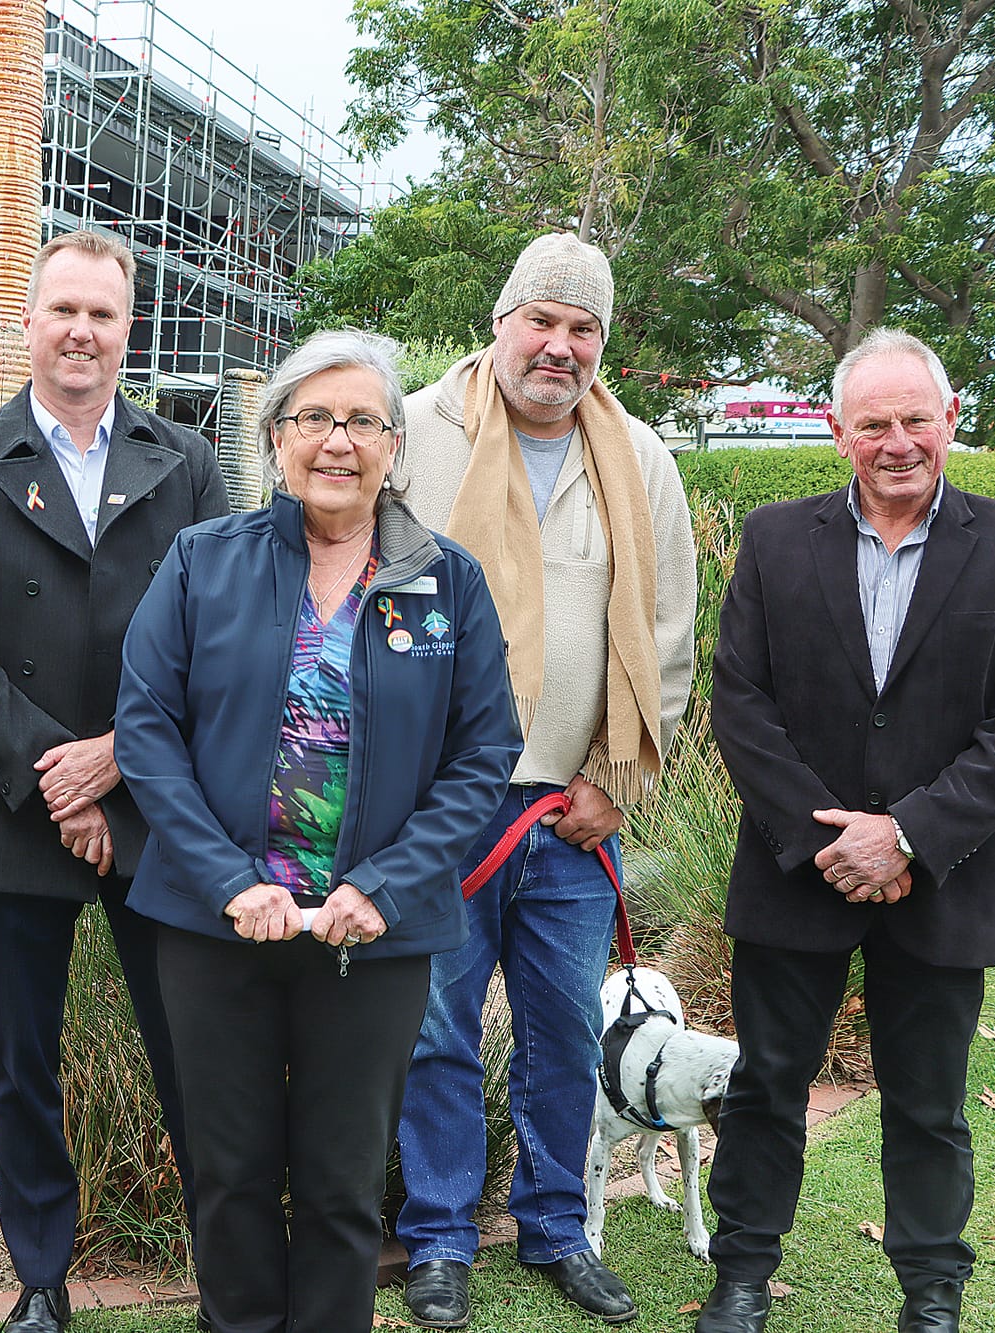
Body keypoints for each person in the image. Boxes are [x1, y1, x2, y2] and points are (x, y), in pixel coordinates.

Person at [116, 329, 520, 1333]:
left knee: (343, 1188)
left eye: (361, 421)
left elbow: (483, 752)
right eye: (312, 420)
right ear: (274, 439)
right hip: (217, 929)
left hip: (370, 937)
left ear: (393, 445)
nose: (335, 442)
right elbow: (145, 729)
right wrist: (227, 880)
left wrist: (380, 885)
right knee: (231, 1178)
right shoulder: (200, 561)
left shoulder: (445, 581)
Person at [694, 329, 995, 1333]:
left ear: (950, 421)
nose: (895, 441)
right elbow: (741, 702)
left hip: (942, 875)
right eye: (872, 423)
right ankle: (740, 1274)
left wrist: (901, 835)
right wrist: (828, 839)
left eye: (914, 419)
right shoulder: (775, 540)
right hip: (795, 870)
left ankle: (930, 1291)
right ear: (836, 432)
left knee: (927, 1101)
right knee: (768, 1084)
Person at [0, 228, 227, 1333]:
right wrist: (60, 777)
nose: (81, 331)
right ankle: (40, 1279)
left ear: (126, 329)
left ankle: (224, 1264)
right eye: (63, 311)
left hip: (159, 806)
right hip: (14, 809)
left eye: (102, 312)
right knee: (18, 1061)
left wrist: (116, 759)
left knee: (195, 1046)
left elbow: (214, 633)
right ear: (29, 324)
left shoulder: (184, 461)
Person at [393, 232, 698, 1327]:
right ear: (501, 318)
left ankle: (554, 1226)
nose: (558, 346)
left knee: (562, 1031)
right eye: (542, 320)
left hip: (571, 812)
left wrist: (619, 778)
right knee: (433, 1030)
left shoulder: (639, 458)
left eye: (582, 330)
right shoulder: (413, 431)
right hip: (439, 812)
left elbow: (665, 629)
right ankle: (436, 1237)